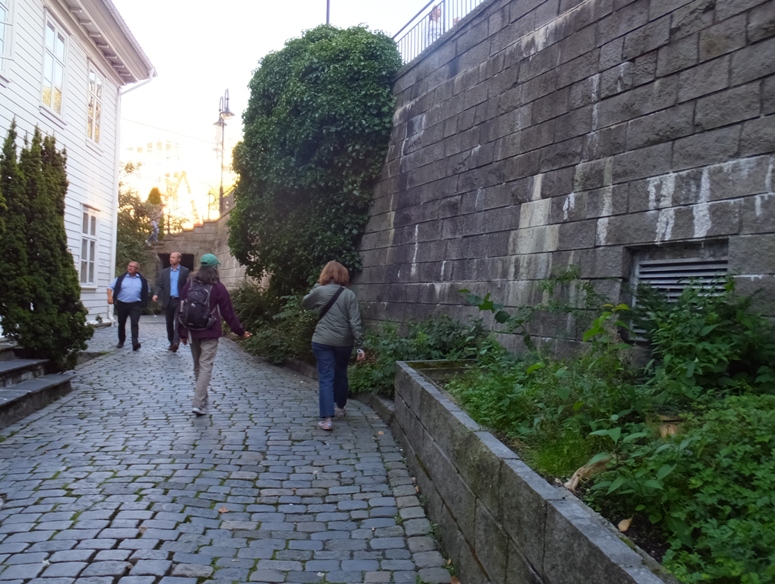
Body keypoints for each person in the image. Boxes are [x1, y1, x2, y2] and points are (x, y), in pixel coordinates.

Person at [178, 253, 251, 416]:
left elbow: (181, 309)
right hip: (210, 331)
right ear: (215, 268)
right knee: (205, 366)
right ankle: (198, 403)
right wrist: (240, 331)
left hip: (191, 330)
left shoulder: (189, 284)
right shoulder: (218, 287)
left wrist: (181, 333)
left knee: (198, 365)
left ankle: (201, 399)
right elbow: (228, 313)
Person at [302, 261, 366, 431]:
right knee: (341, 373)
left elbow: (305, 303)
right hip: (344, 343)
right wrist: (360, 346)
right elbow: (355, 321)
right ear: (343, 275)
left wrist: (315, 288)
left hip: (322, 341)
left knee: (326, 377)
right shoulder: (349, 295)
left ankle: (326, 419)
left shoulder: (319, 291)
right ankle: (340, 407)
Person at [107, 261, 150, 351]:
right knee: (121, 323)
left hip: (136, 304)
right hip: (122, 303)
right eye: (129, 266)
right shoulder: (120, 279)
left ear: (137, 269)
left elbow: (146, 291)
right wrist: (110, 297)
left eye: (133, 267)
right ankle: (121, 341)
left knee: (134, 323)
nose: (130, 268)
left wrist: (144, 302)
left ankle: (135, 342)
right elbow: (110, 287)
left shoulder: (142, 280)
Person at [153, 251, 190, 352]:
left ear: (179, 259)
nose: (171, 259)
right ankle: (171, 342)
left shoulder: (185, 271)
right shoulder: (165, 272)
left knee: (178, 322)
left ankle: (176, 342)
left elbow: (188, 285)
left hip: (179, 301)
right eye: (170, 257)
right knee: (169, 323)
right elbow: (159, 284)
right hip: (168, 300)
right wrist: (156, 294)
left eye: (173, 257)